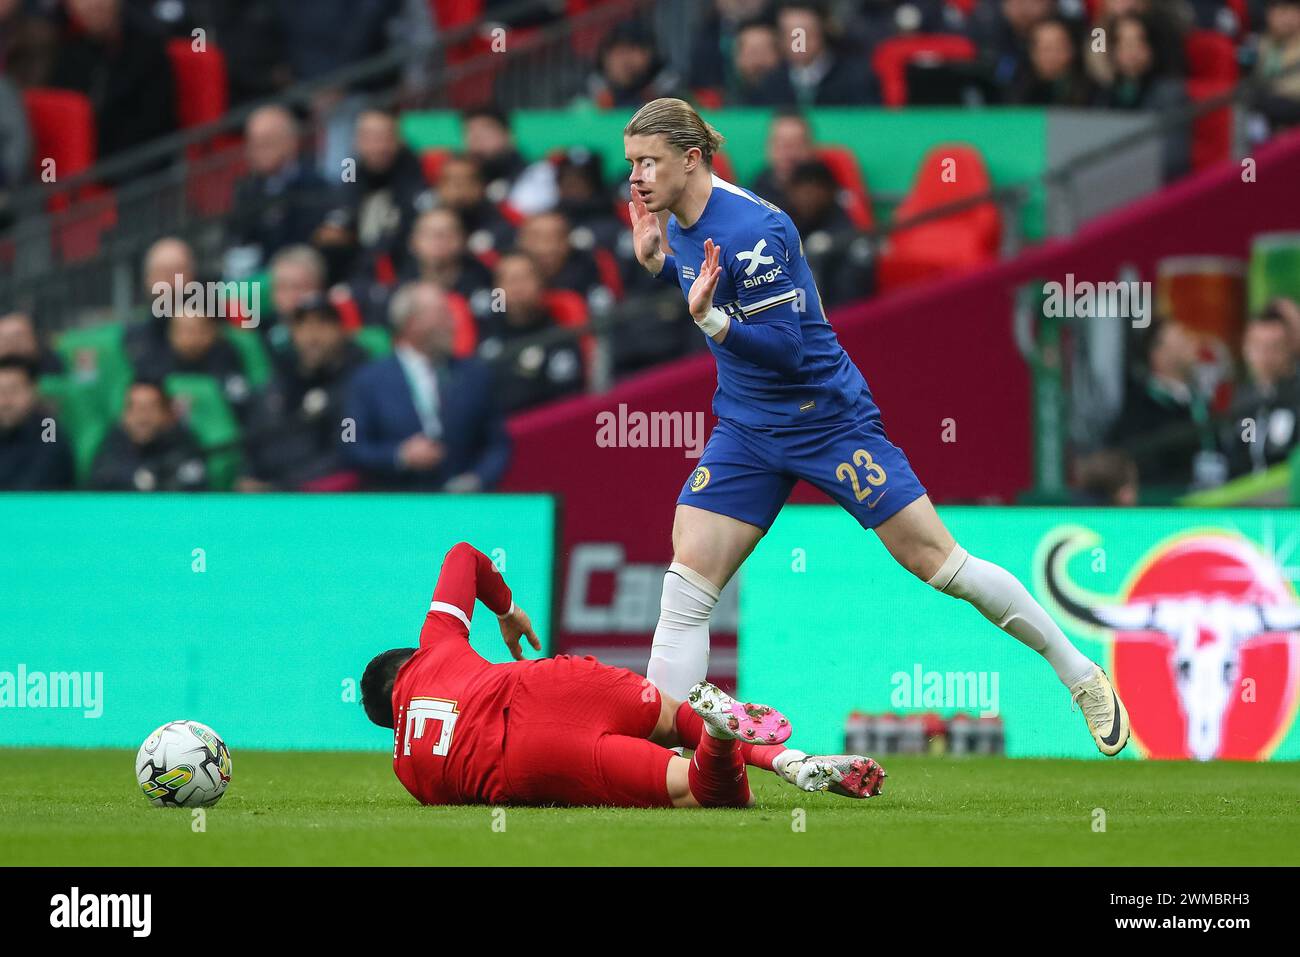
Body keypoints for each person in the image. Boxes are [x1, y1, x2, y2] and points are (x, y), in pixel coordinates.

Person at [622, 97, 1129, 757]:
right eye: (632, 162)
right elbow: (701, 286)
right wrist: (657, 263)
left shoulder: (754, 229)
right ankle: (664, 762)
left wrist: (712, 323)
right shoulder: (671, 217)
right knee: (686, 584)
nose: (635, 178)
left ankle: (1080, 673)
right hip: (747, 426)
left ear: (691, 159)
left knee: (941, 565)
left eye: (648, 162)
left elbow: (787, 350)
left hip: (825, 419)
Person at [361, 540, 886, 807]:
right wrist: (507, 611)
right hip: (548, 683)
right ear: (408, 662)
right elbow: (464, 555)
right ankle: (787, 759)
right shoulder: (433, 648)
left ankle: (723, 740)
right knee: (676, 719)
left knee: (703, 791)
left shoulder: (409, 773)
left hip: (533, 756)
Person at [342, 281, 510, 491]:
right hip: (400, 507)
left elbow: (497, 443)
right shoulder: (367, 381)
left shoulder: (474, 374)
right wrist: (399, 455)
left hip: (464, 512)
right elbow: (351, 445)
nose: (453, 322)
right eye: (442, 314)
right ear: (411, 323)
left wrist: (477, 479)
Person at [238, 296, 369, 491]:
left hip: (326, 499)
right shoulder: (276, 387)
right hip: (269, 497)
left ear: (341, 331)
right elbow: (255, 441)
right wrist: (248, 475)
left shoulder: (357, 387)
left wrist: (283, 486)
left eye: (323, 325)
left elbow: (348, 449)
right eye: (303, 326)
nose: (312, 336)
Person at [476, 252, 585, 413]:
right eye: (509, 280)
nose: (517, 287)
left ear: (541, 284)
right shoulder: (484, 339)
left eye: (525, 278)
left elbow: (567, 400)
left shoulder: (559, 339)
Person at [88, 379, 208, 491]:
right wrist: (139, 478)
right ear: (124, 415)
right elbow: (100, 478)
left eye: (150, 408)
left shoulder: (182, 443)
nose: (142, 417)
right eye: (134, 408)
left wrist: (155, 479)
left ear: (165, 414)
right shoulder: (114, 441)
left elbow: (194, 482)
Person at [1223, 309, 1300, 475]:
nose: (1265, 355)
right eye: (1257, 346)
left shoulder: (1295, 399)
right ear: (1245, 349)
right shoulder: (1243, 401)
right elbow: (1238, 455)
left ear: (1289, 350)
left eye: (1274, 347)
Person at [0, 355, 73, 489]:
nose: (5, 402)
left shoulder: (48, 428)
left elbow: (43, 476)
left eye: (13, 391)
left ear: (32, 391)